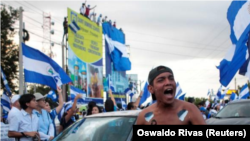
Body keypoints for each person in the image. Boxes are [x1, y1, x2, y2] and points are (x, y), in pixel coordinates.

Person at [136, 65, 206, 125]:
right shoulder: (144, 116)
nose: (168, 82)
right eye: (161, 80)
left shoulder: (190, 110)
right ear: (151, 89)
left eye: (171, 78)